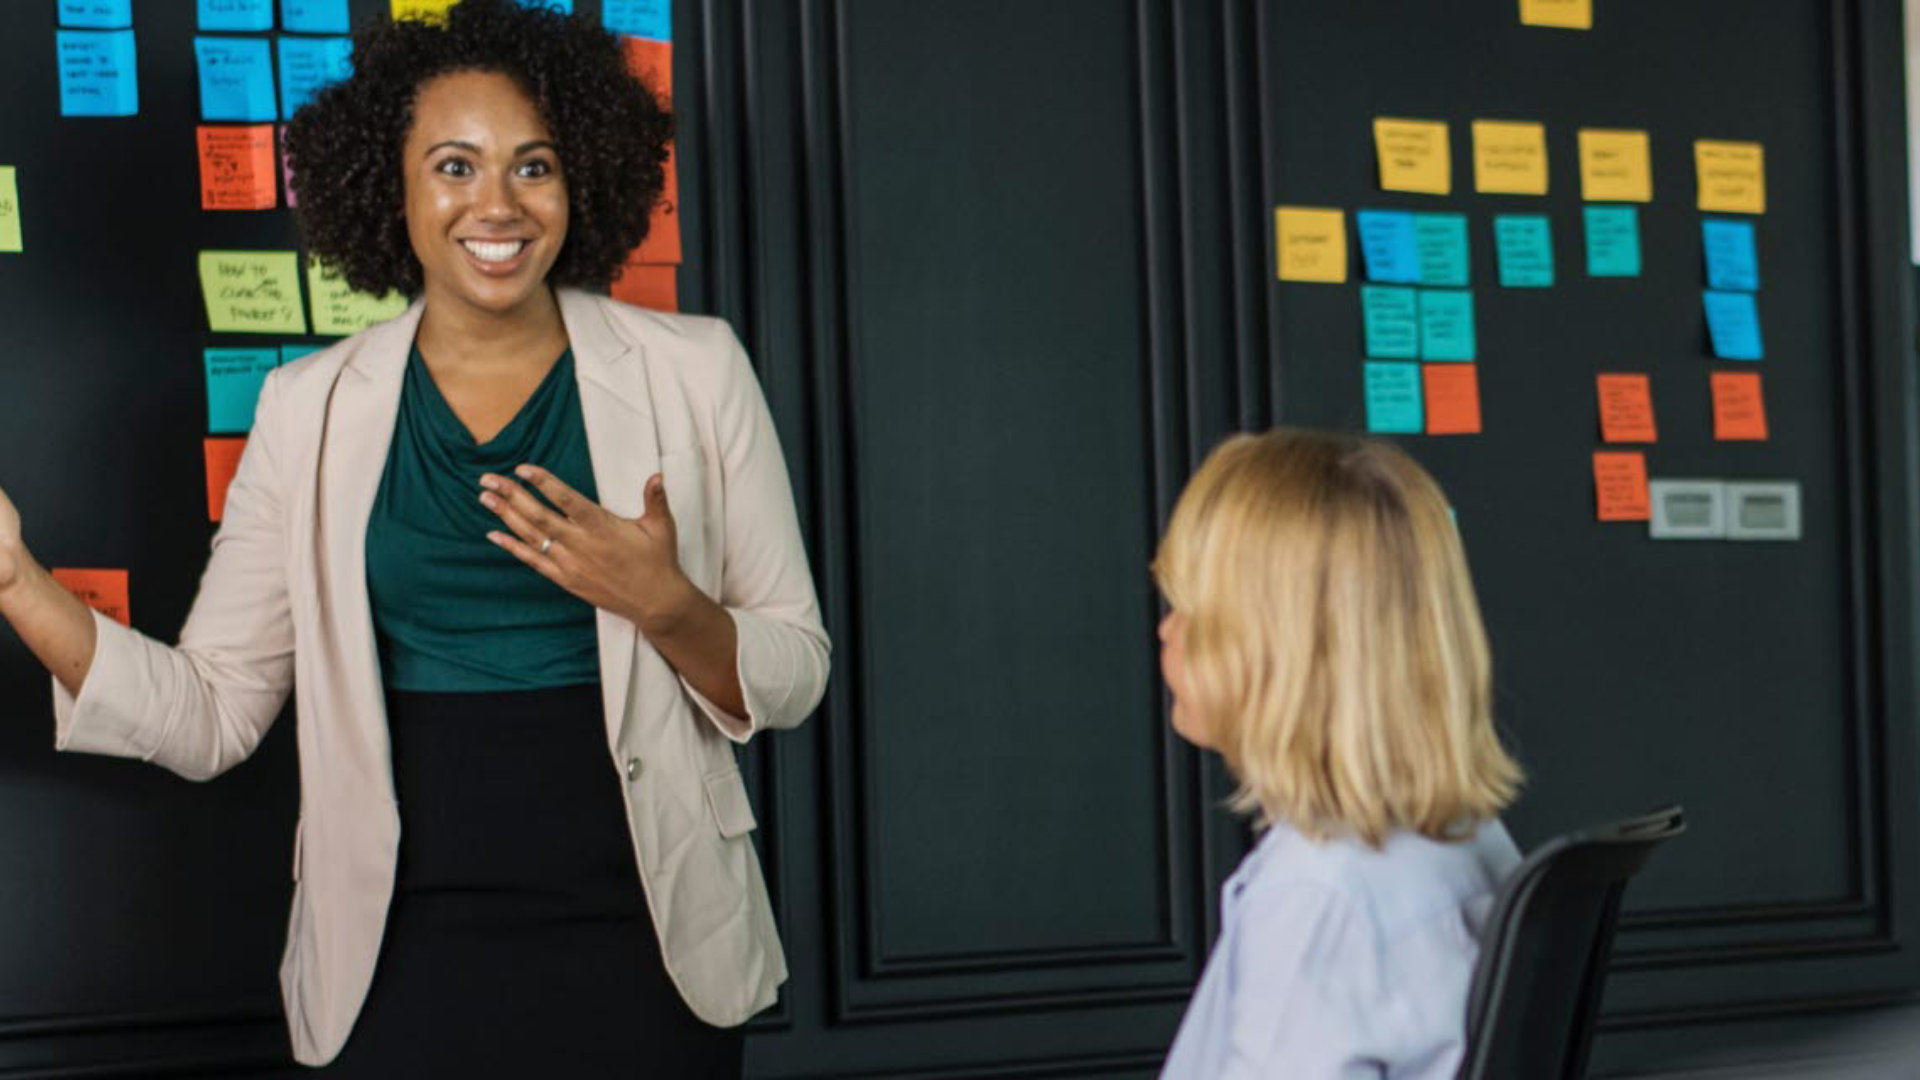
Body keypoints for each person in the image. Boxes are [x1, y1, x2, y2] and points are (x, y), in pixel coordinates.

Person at [0, 2, 828, 1074]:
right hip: (393, 946)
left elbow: (797, 670)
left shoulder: (696, 368)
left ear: (582, 180)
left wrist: (663, 604)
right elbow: (210, 713)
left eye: (534, 167)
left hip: (649, 937)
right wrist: (18, 581)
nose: (498, 204)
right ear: (389, 187)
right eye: (454, 165)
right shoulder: (311, 407)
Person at [1152, 430, 1524, 1079]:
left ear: (1279, 650)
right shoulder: (1468, 839)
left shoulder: (1318, 897)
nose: (1166, 630)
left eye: (1190, 610)